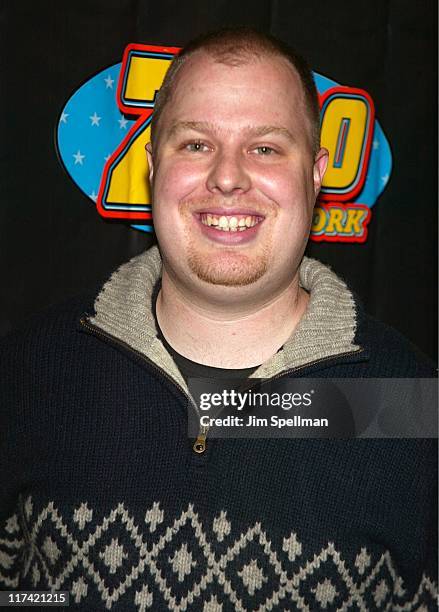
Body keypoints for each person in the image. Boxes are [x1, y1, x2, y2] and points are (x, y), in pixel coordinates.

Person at [0, 28, 437, 611]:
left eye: (265, 148)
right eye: (196, 144)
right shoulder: (29, 371)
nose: (227, 178)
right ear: (154, 166)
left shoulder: (410, 405)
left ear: (316, 173)